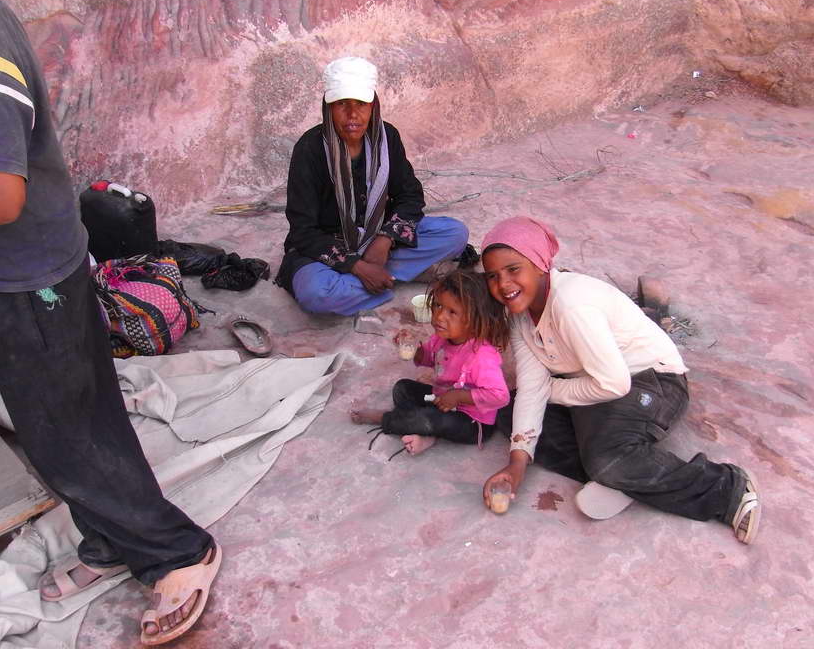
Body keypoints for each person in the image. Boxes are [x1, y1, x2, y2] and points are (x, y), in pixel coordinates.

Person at [0, 0, 220, 644]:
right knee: (74, 420)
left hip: (23, 274)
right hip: (9, 265)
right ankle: (108, 539)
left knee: (66, 436)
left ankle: (176, 551)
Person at [479, 216, 761, 543]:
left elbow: (614, 385)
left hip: (650, 381)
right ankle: (628, 476)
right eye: (493, 276)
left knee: (604, 456)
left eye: (514, 269)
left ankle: (726, 489)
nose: (503, 284)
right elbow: (531, 387)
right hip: (594, 384)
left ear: (541, 264)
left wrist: (550, 390)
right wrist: (517, 465)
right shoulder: (521, 317)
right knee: (508, 407)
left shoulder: (571, 305)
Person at [277, 56, 469, 315]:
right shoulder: (310, 149)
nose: (352, 114)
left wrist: (385, 240)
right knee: (316, 295)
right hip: (328, 247)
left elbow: (410, 196)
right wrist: (357, 266)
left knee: (455, 234)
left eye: (361, 104)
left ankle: (366, 282)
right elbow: (303, 231)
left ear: (373, 105)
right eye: (341, 104)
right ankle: (386, 278)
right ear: (328, 107)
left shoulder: (387, 137)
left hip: (377, 237)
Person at [351, 269, 510, 456]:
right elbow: (427, 358)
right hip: (442, 399)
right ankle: (423, 431)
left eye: (452, 312)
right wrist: (413, 348)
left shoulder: (482, 356)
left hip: (472, 421)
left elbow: (500, 396)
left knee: (431, 419)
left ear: (475, 320)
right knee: (402, 389)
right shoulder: (441, 338)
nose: (440, 316)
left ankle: (388, 419)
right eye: (438, 306)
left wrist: (458, 396)